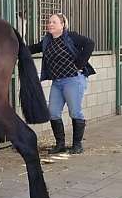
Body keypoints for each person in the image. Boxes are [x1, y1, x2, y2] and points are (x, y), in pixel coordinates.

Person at [29, 13, 95, 154]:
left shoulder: (71, 37)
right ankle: (60, 145)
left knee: (75, 112)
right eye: (49, 22)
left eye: (54, 22)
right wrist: (14, 48)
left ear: (62, 25)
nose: (50, 24)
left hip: (73, 79)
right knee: (53, 113)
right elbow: (32, 49)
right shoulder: (47, 41)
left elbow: (90, 43)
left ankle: (77, 145)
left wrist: (80, 64)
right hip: (57, 82)